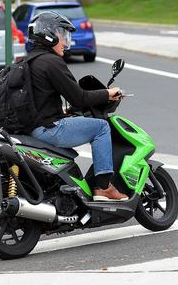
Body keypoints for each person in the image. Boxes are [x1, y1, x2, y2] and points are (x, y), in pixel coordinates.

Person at [26, 11, 128, 202]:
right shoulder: (51, 62)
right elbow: (79, 98)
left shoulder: (27, 62)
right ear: (49, 35)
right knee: (101, 128)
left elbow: (37, 99)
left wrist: (63, 113)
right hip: (46, 131)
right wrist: (108, 93)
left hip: (29, 131)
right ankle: (104, 187)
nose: (65, 41)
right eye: (62, 35)